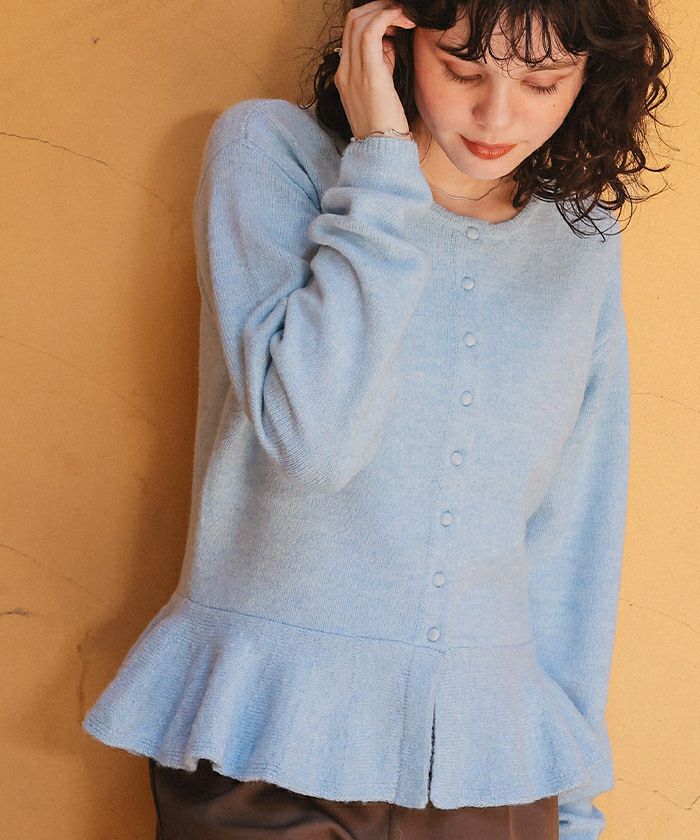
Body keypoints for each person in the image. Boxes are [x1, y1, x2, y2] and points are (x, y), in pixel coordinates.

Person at [81, 1, 673, 838]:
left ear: (592, 77)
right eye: (463, 68)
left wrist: (571, 803)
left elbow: (573, 535)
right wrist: (383, 164)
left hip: (492, 772)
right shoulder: (273, 154)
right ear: (393, 41)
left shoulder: (581, 242)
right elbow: (312, 442)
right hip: (264, 746)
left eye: (543, 82)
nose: (497, 116)